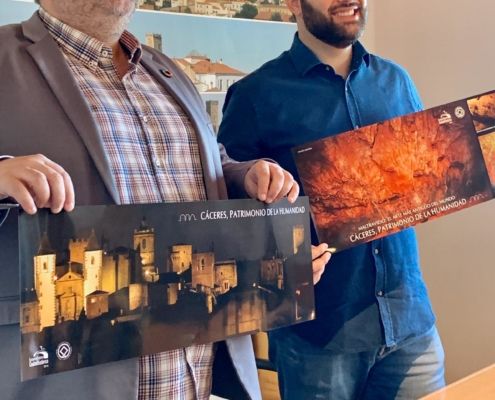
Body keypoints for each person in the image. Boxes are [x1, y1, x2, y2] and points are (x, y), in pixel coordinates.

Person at [0, 1, 330, 399]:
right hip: (68, 383)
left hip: (196, 378)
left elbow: (210, 163)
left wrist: (246, 176)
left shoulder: (168, 71)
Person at [218, 0, 446, 399]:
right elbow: (225, 208)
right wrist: (277, 254)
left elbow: (423, 174)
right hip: (318, 337)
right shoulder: (255, 94)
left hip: (410, 322)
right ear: (293, 3)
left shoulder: (396, 80)